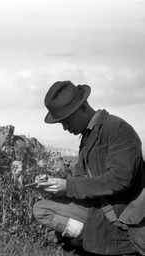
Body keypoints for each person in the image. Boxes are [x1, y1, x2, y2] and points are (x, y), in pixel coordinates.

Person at [32, 81, 145, 255]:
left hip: (122, 211)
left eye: (67, 120)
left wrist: (68, 186)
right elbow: (81, 177)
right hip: (96, 207)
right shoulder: (87, 136)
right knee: (41, 209)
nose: (64, 127)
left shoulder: (119, 130)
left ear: (83, 107)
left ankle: (85, 236)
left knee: (53, 229)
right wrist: (56, 185)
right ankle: (85, 235)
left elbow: (120, 179)